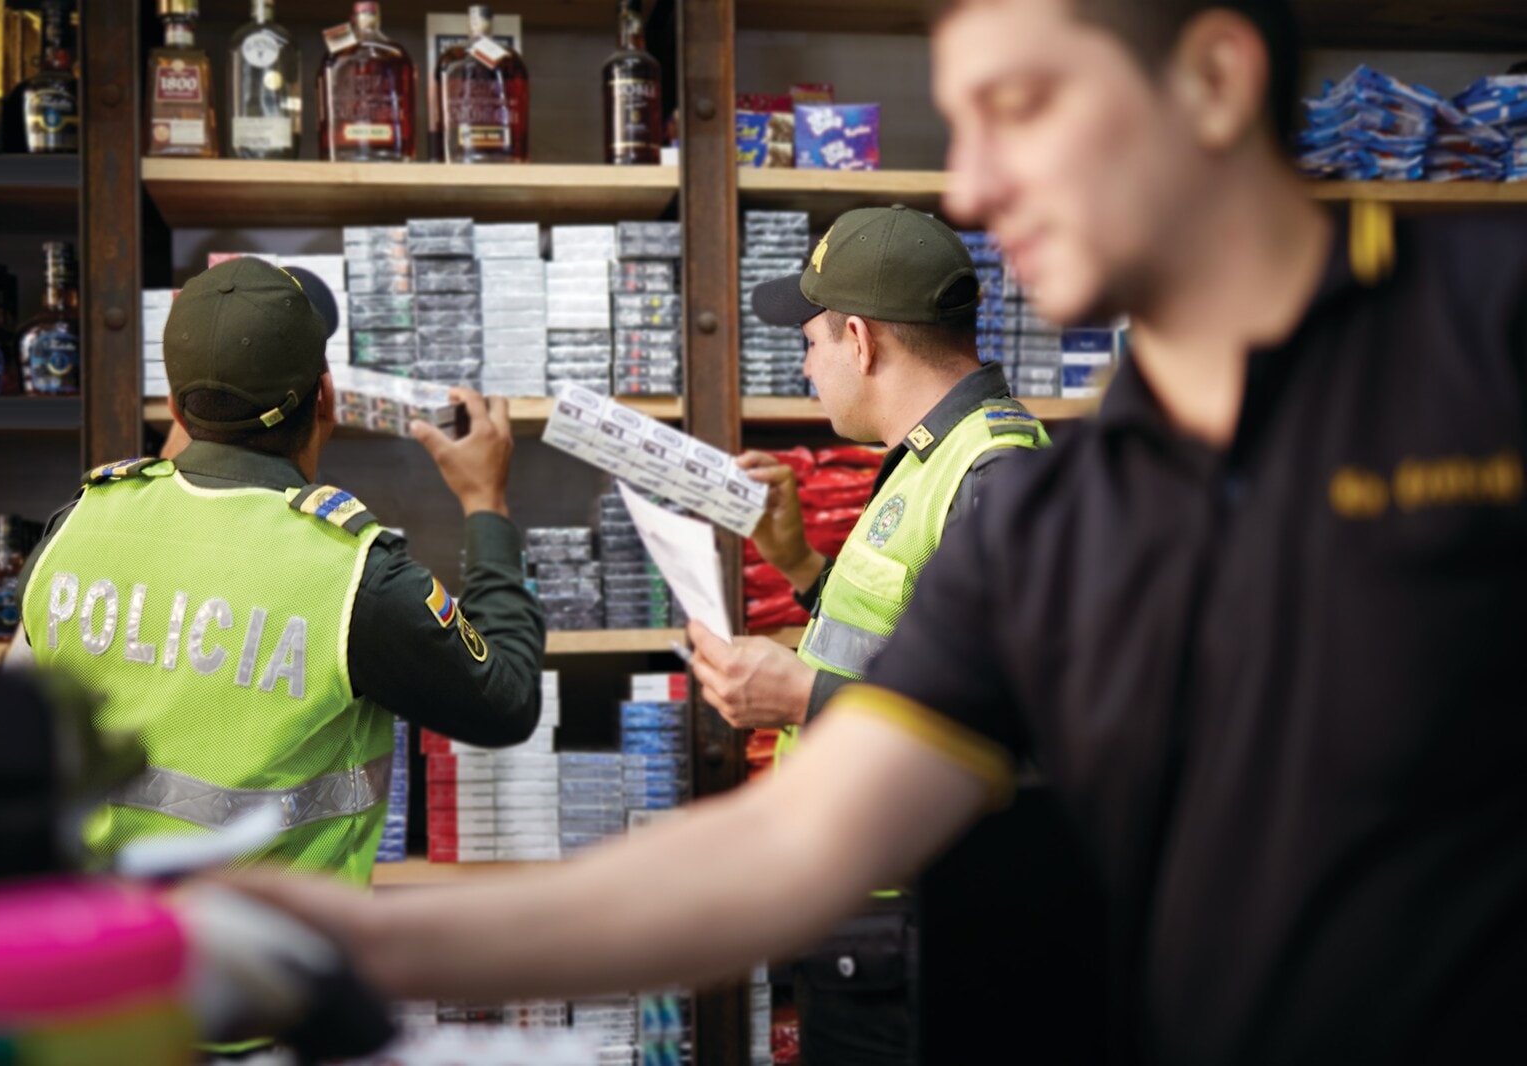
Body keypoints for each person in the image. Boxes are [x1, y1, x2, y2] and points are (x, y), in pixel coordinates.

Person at [227, 0, 1527, 1060]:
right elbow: (794, 844)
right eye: (959, 120)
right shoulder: (1071, 507)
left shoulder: (1489, 343)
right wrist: (341, 939)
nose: (972, 179)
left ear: (1215, 78)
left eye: (1021, 104)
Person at [12, 256, 545, 887]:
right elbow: (508, 701)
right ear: (326, 398)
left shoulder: (76, 525)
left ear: (178, 414)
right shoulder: (354, 576)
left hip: (105, 951)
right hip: (277, 964)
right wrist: (487, 504)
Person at [688, 204, 1049, 1065]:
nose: (806, 366)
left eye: (810, 342)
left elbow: (1021, 738)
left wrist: (799, 693)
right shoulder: (933, 455)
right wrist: (801, 565)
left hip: (930, 926)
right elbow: (920, 652)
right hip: (874, 906)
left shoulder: (993, 473)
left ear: (861, 340)